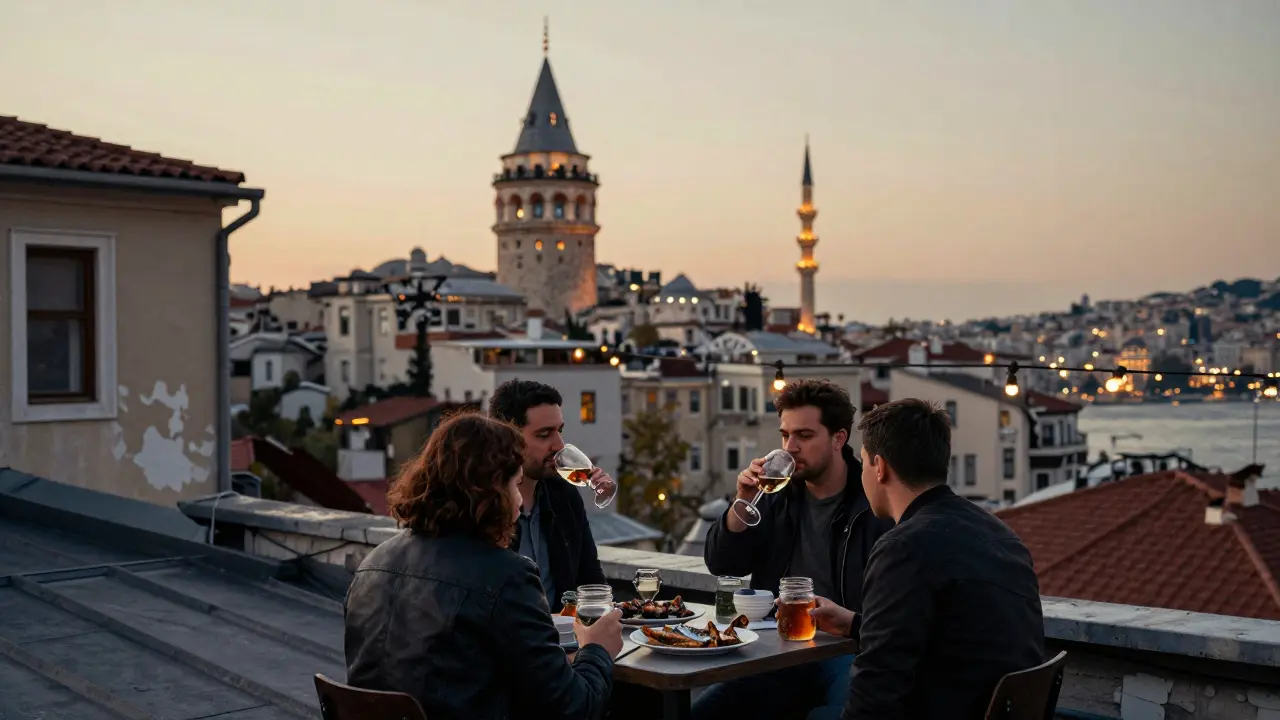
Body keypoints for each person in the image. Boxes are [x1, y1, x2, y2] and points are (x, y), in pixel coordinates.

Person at [344, 412, 624, 720]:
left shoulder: (372, 564)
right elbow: (573, 708)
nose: (519, 502)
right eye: (516, 485)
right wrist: (597, 649)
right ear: (491, 491)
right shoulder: (507, 575)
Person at [826, 398, 1046, 720]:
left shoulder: (904, 547)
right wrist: (856, 624)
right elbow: (957, 637)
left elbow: (877, 686)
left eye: (863, 464)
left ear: (880, 467)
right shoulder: (1000, 533)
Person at [695, 379, 895, 720]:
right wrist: (742, 503)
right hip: (780, 646)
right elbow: (722, 563)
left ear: (838, 438)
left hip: (847, 649)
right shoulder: (775, 497)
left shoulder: (873, 502)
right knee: (706, 711)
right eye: (785, 435)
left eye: (804, 436)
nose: (790, 447)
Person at [489, 378, 611, 612]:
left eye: (560, 431)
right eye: (544, 434)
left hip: (561, 641)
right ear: (507, 438)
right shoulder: (482, 506)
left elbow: (590, 578)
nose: (559, 444)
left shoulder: (563, 496)